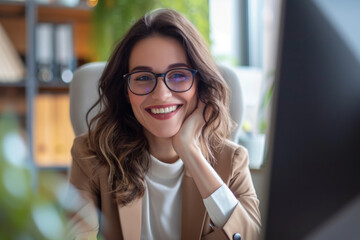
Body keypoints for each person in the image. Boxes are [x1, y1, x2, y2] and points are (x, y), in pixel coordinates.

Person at [67, 8, 261, 240]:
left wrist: (189, 151)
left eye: (178, 75)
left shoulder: (232, 161)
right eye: (142, 78)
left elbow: (251, 237)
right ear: (126, 92)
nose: (161, 95)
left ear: (200, 84)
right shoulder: (91, 154)